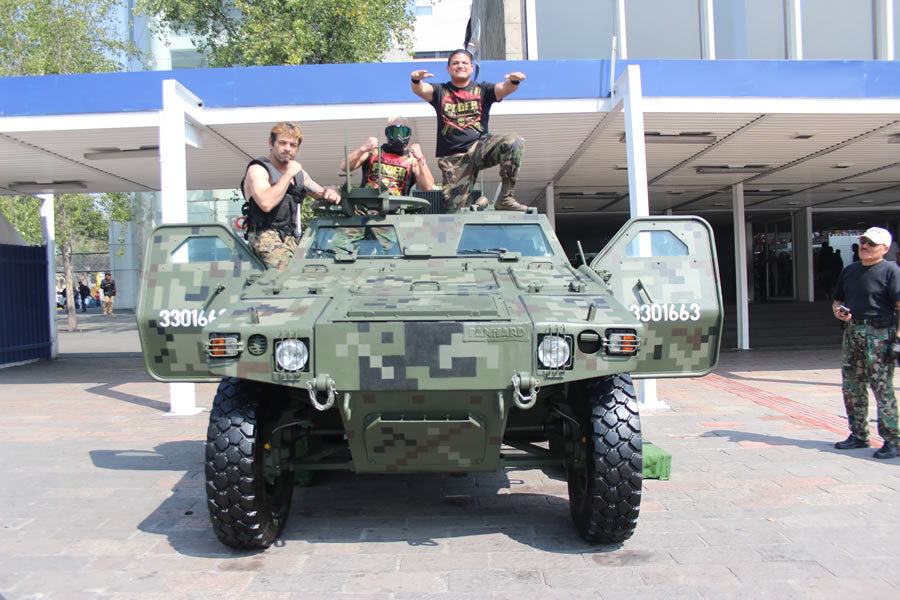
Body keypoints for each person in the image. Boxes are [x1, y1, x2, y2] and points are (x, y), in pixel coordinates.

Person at [411, 49, 527, 213]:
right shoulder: (440, 90)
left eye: (464, 63)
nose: (460, 66)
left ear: (471, 68)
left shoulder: (483, 89)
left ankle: (506, 197)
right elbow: (421, 90)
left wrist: (514, 81)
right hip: (455, 159)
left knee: (514, 141)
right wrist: (415, 80)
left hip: (480, 148)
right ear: (448, 68)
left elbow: (503, 88)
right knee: (456, 214)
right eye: (455, 63)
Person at [831, 226, 900, 459]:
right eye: (863, 242)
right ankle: (859, 434)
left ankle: (893, 440)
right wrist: (838, 311)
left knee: (881, 387)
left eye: (872, 243)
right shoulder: (850, 271)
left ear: (885, 249)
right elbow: (838, 299)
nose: (866, 246)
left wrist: (898, 340)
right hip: (853, 332)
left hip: (879, 334)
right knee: (852, 386)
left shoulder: (891, 272)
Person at [241, 122, 341, 271]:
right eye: (282, 143)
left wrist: (333, 190)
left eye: (293, 145)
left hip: (290, 238)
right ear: (271, 143)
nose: (288, 148)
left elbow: (322, 194)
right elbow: (266, 203)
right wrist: (288, 175)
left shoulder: (299, 175)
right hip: (264, 236)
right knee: (284, 278)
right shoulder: (259, 169)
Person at [339, 116, 435, 196]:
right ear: (387, 133)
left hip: (396, 211)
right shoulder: (372, 152)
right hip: (367, 207)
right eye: (394, 132)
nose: (398, 136)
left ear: (408, 134)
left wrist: (420, 158)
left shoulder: (413, 160)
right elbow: (344, 166)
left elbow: (428, 187)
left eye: (402, 132)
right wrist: (363, 148)